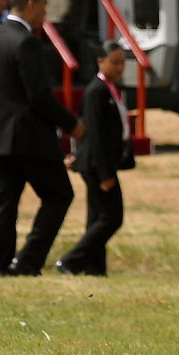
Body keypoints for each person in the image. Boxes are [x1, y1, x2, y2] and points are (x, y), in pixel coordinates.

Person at [0, 0, 84, 276]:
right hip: (26, 137)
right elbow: (38, 97)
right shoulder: (26, 42)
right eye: (45, 6)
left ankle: (0, 267)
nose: (45, 14)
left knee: (5, 203)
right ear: (32, 5)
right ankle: (27, 262)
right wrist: (71, 124)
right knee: (59, 194)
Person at [55, 41, 131, 277]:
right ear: (100, 61)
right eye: (114, 62)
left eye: (122, 63)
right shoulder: (96, 91)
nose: (120, 68)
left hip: (101, 162)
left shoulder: (110, 89)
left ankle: (95, 268)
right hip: (97, 165)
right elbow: (95, 134)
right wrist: (106, 174)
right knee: (112, 217)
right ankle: (71, 261)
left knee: (97, 216)